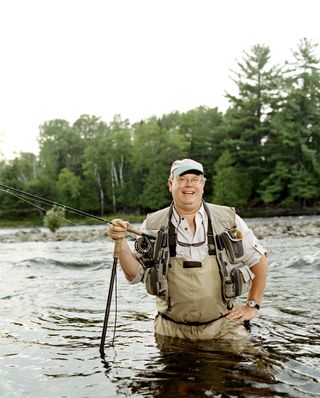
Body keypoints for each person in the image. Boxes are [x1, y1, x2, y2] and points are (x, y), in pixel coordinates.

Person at [108, 159, 268, 340]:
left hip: (223, 327)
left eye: (195, 179)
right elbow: (133, 275)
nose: (189, 184)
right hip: (170, 331)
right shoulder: (153, 224)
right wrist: (120, 242)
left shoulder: (228, 219)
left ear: (203, 185)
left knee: (258, 365)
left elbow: (259, 259)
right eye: (182, 179)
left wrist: (252, 305)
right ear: (170, 184)